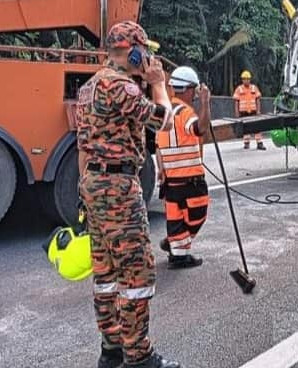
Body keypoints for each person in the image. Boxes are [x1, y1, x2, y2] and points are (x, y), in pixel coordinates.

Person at [76, 21, 180, 368]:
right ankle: (140, 356)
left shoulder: (89, 87)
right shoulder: (121, 86)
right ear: (133, 50)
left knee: (105, 273)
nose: (147, 57)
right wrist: (158, 84)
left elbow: (81, 146)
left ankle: (112, 349)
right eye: (144, 51)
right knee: (136, 273)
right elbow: (162, 121)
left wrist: (84, 191)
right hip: (119, 187)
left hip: (92, 183)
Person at [156, 66, 211, 269]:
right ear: (188, 89)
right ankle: (176, 244)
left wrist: (161, 169)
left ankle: (178, 255)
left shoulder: (164, 113)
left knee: (176, 217)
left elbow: (158, 146)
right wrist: (205, 103)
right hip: (189, 179)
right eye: (195, 90)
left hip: (171, 180)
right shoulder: (185, 112)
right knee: (198, 215)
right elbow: (201, 128)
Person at [233, 70, 265, 150]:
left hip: (253, 111)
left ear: (250, 79)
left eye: (247, 79)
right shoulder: (239, 89)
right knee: (245, 128)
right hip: (243, 112)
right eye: (244, 79)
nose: (246, 80)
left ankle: (259, 143)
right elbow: (236, 101)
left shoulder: (254, 88)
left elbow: (258, 100)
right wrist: (237, 113)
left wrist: (258, 111)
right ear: (242, 80)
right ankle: (246, 143)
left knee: (257, 127)